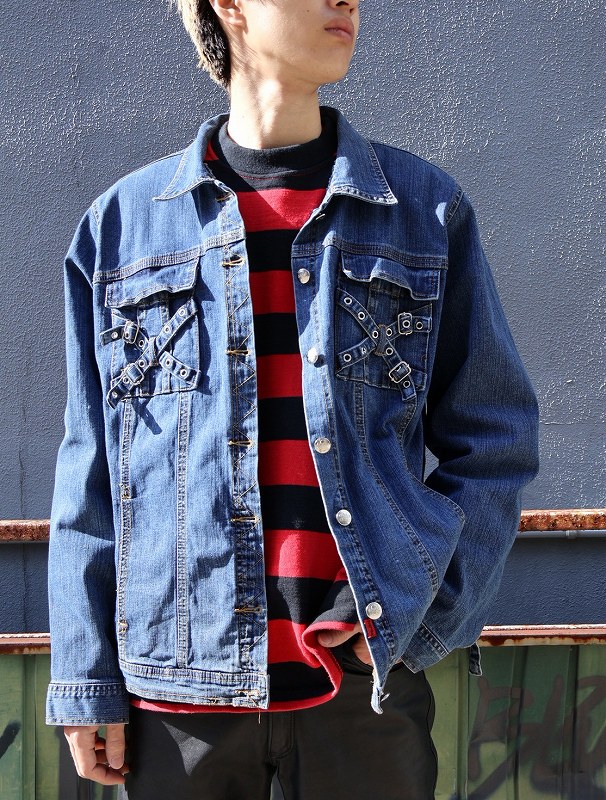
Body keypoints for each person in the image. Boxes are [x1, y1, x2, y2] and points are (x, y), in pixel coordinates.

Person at [46, 1, 539, 798]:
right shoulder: (122, 228)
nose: (347, 0)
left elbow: (496, 439)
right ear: (231, 7)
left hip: (362, 691)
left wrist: (427, 615)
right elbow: (92, 471)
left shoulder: (422, 211)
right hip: (178, 695)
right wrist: (84, 675)